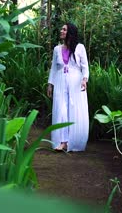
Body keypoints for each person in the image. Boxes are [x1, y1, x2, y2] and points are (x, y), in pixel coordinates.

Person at [47, 23, 89, 152]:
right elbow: (54, 67)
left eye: (64, 29)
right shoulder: (56, 49)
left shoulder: (80, 48)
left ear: (70, 32)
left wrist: (84, 79)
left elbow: (85, 66)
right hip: (60, 81)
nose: (61, 31)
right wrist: (50, 84)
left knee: (74, 109)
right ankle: (62, 141)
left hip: (76, 82)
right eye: (62, 29)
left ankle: (74, 141)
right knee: (61, 109)